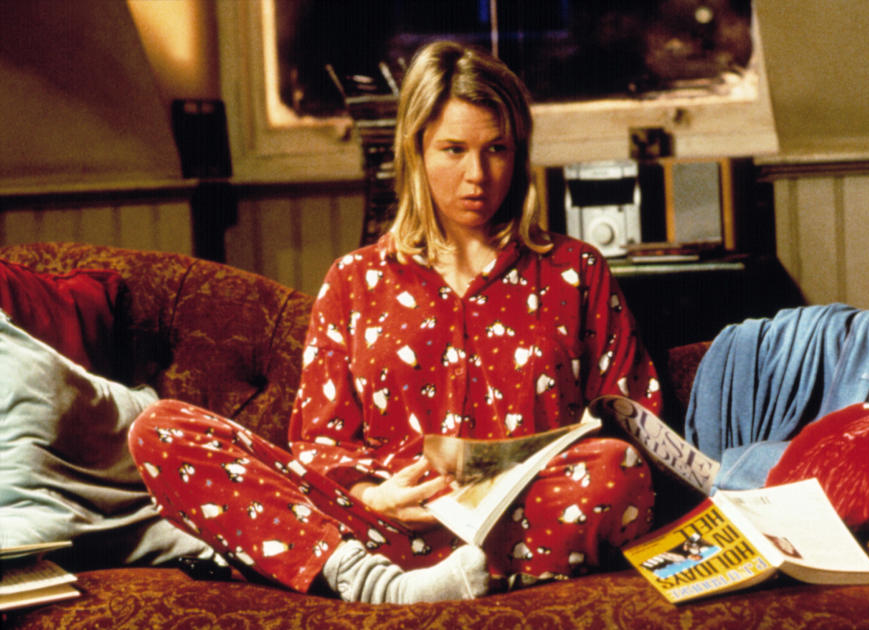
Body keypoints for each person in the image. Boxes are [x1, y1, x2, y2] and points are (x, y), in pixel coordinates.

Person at [128, 40, 663, 604]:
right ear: (416, 151)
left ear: (520, 153)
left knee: (618, 468)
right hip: (377, 530)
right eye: (453, 150)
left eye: (496, 149)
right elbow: (317, 441)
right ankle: (380, 581)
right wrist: (372, 498)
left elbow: (637, 423)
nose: (476, 174)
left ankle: (418, 576)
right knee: (160, 430)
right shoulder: (354, 280)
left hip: (526, 518)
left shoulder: (575, 271)